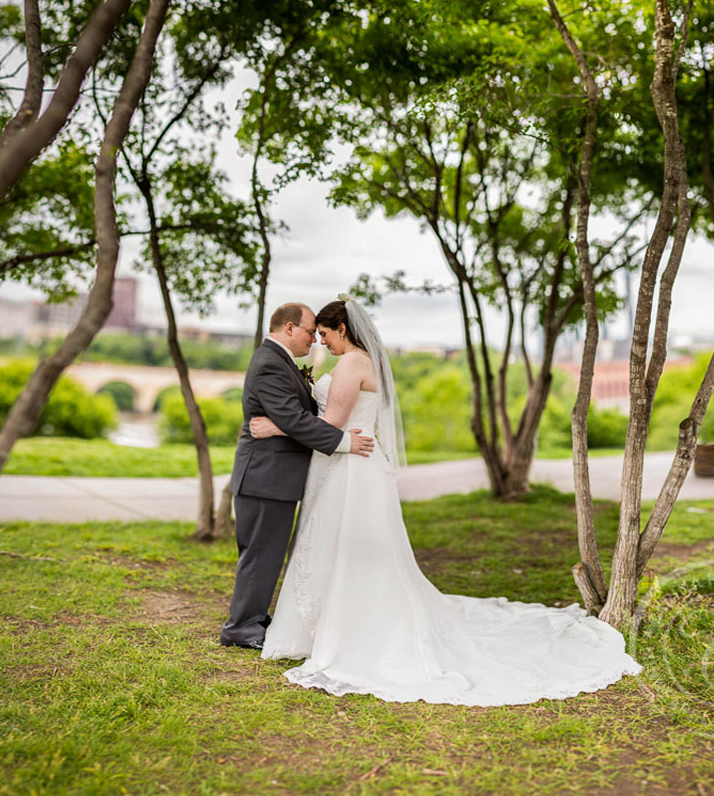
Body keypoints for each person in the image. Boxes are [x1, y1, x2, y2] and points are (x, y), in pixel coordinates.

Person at [245, 295, 642, 705]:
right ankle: (327, 624)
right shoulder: (363, 360)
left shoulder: (351, 363)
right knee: (348, 548)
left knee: (349, 549)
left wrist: (274, 428)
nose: (321, 342)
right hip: (350, 462)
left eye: (325, 334)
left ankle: (350, 631)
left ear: (342, 329)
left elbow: (331, 423)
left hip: (350, 468)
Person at [219, 302, 374, 650]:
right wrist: (345, 442)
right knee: (259, 553)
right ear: (290, 329)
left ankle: (255, 617)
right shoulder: (270, 363)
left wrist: (276, 426)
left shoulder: (278, 361)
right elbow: (296, 419)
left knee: (267, 552)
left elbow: (290, 418)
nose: (314, 342)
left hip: (274, 476)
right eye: (310, 333)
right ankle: (240, 627)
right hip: (264, 477)